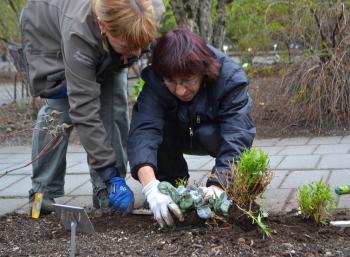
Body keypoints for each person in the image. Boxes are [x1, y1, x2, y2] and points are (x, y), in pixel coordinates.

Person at [20, 0, 165, 215]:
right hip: (48, 31)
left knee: (114, 107)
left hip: (106, 40)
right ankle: (41, 193)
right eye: (128, 46)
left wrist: (113, 177)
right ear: (102, 26)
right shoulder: (78, 31)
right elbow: (84, 109)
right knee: (60, 109)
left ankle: (106, 190)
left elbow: (132, 44)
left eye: (140, 45)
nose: (136, 52)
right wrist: (108, 171)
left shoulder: (151, 10)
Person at [127, 28, 256, 227]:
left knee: (227, 148)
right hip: (177, 133)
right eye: (171, 81)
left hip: (214, 136)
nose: (179, 90)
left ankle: (231, 184)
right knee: (157, 131)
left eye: (188, 80)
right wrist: (151, 187)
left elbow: (238, 135)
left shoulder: (229, 78)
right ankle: (169, 182)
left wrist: (219, 186)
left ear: (203, 72)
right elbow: (143, 130)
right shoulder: (157, 80)